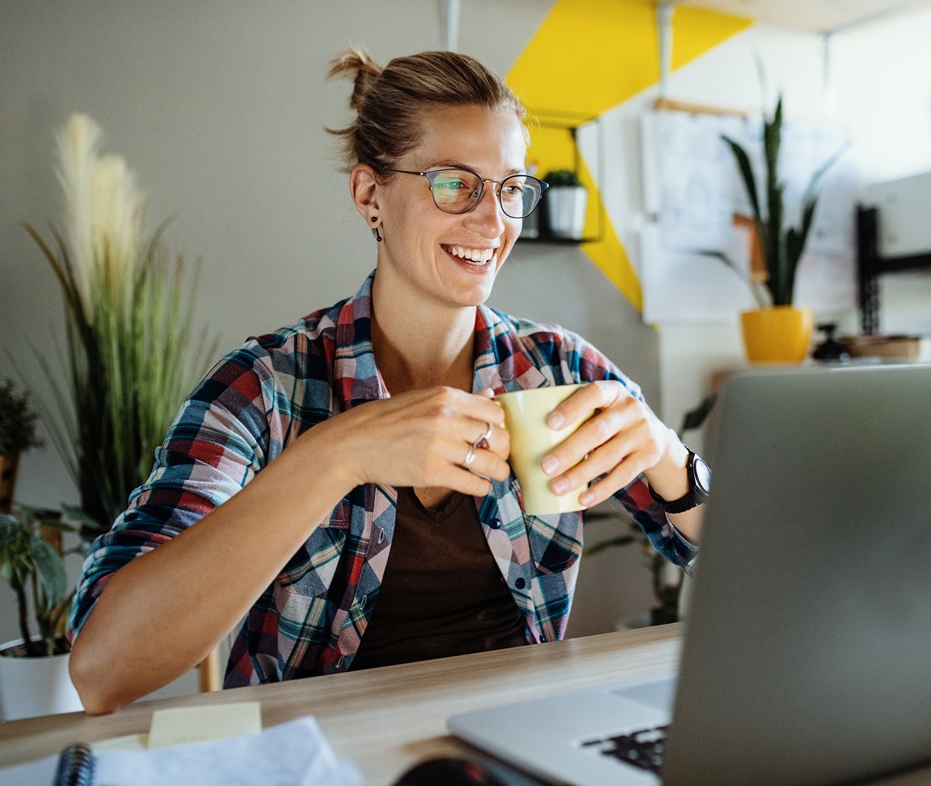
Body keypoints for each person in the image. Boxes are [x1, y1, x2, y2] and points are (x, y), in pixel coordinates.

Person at [68, 47, 705, 715]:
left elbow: (756, 576)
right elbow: (104, 670)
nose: (494, 222)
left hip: (517, 736)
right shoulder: (266, 386)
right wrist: (340, 453)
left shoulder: (557, 370)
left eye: (511, 187)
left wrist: (668, 457)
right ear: (370, 195)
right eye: (456, 183)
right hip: (319, 753)